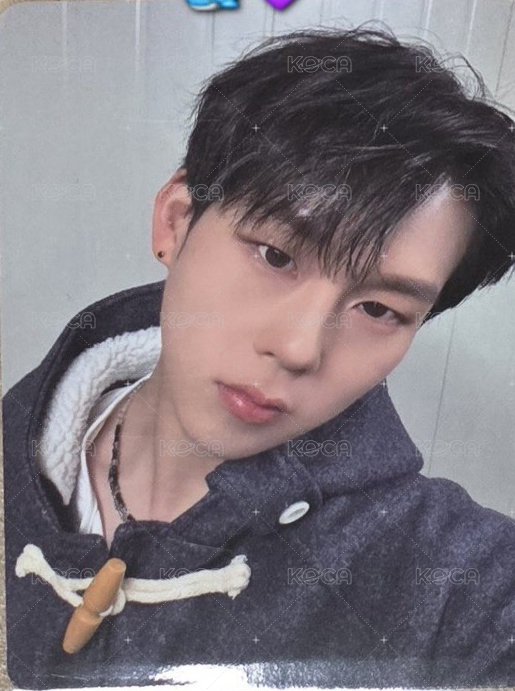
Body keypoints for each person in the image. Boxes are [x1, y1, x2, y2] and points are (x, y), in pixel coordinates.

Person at [3, 23, 515, 690]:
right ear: (175, 221)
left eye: (378, 309)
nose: (298, 348)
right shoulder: (18, 443)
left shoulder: (447, 580)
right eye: (276, 255)